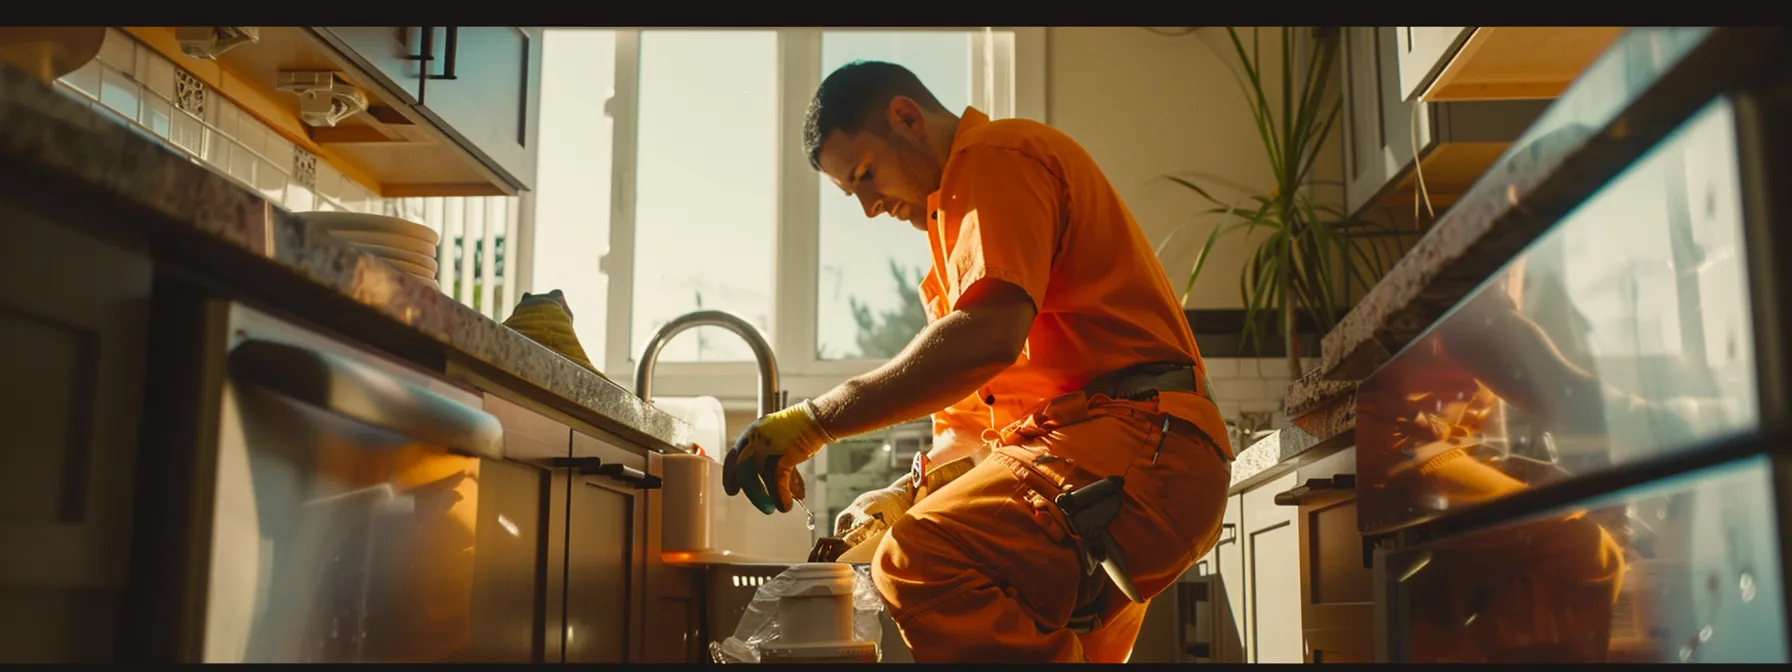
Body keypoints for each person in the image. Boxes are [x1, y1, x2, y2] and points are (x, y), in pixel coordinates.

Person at [722, 60, 1234, 662]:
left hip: (1135, 445)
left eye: (864, 175)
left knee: (917, 559)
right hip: (1103, 466)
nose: (868, 208)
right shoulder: (955, 254)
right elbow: (970, 432)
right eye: (850, 193)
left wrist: (817, 421)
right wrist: (903, 494)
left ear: (906, 117)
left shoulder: (997, 157)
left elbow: (986, 337)